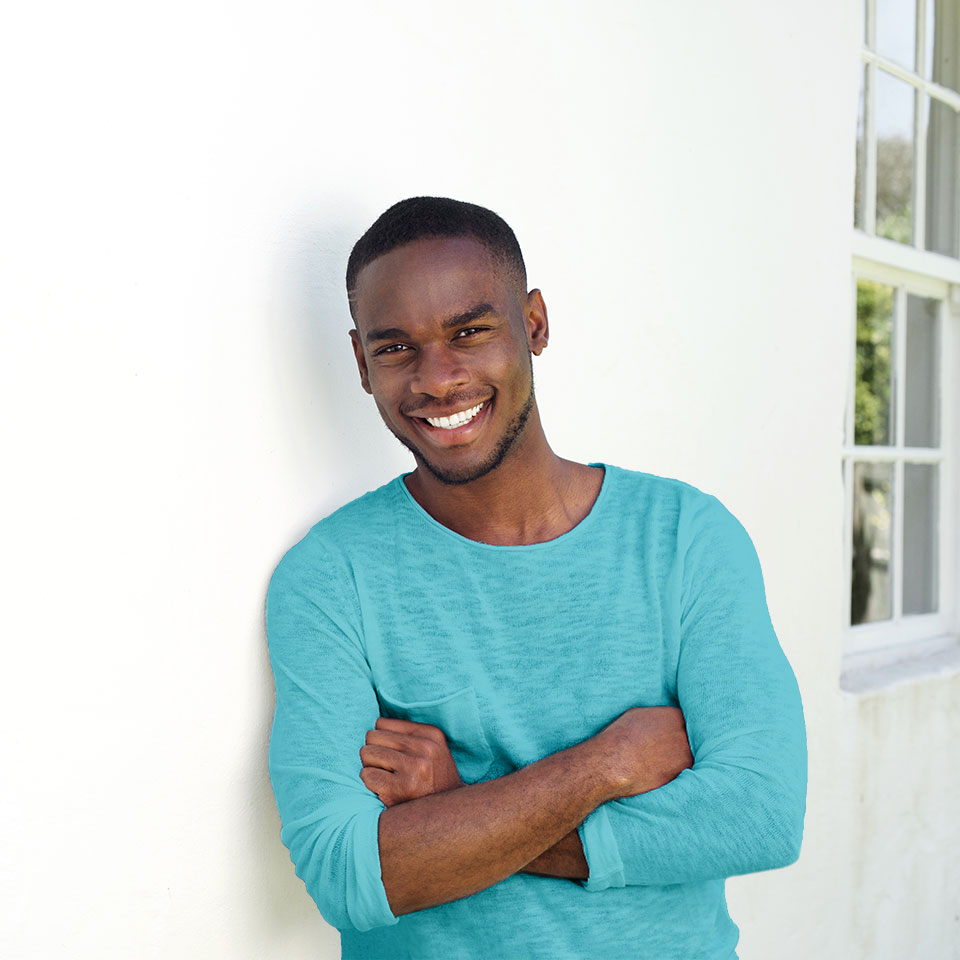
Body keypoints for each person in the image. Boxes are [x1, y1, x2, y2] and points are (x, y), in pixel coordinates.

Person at [265, 196, 807, 960]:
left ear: (536, 324)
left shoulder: (685, 537)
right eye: (396, 349)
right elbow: (348, 877)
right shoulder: (331, 575)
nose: (438, 378)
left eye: (469, 332)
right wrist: (599, 767)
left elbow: (760, 816)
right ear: (361, 364)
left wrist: (458, 810)